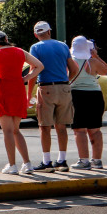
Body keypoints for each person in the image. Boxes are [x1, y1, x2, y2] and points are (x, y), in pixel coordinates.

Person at [0, 30, 44, 175]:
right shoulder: (20, 51)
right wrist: (26, 78)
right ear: (6, 39)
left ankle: (12, 164)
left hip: (2, 90)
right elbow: (39, 66)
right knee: (16, 130)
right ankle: (27, 163)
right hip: (18, 89)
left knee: (7, 131)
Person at [27, 21, 78, 172]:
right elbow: (74, 69)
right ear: (50, 31)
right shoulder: (62, 46)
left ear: (36, 34)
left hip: (46, 87)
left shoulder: (35, 48)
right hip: (64, 87)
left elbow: (33, 72)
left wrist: (29, 94)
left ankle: (46, 161)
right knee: (61, 126)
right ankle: (62, 160)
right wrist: (66, 82)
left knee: (44, 126)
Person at [69, 35, 107, 169]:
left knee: (79, 130)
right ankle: (97, 160)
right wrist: (96, 56)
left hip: (77, 95)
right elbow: (106, 70)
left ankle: (84, 161)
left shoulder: (70, 61)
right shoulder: (93, 62)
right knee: (95, 130)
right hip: (95, 95)